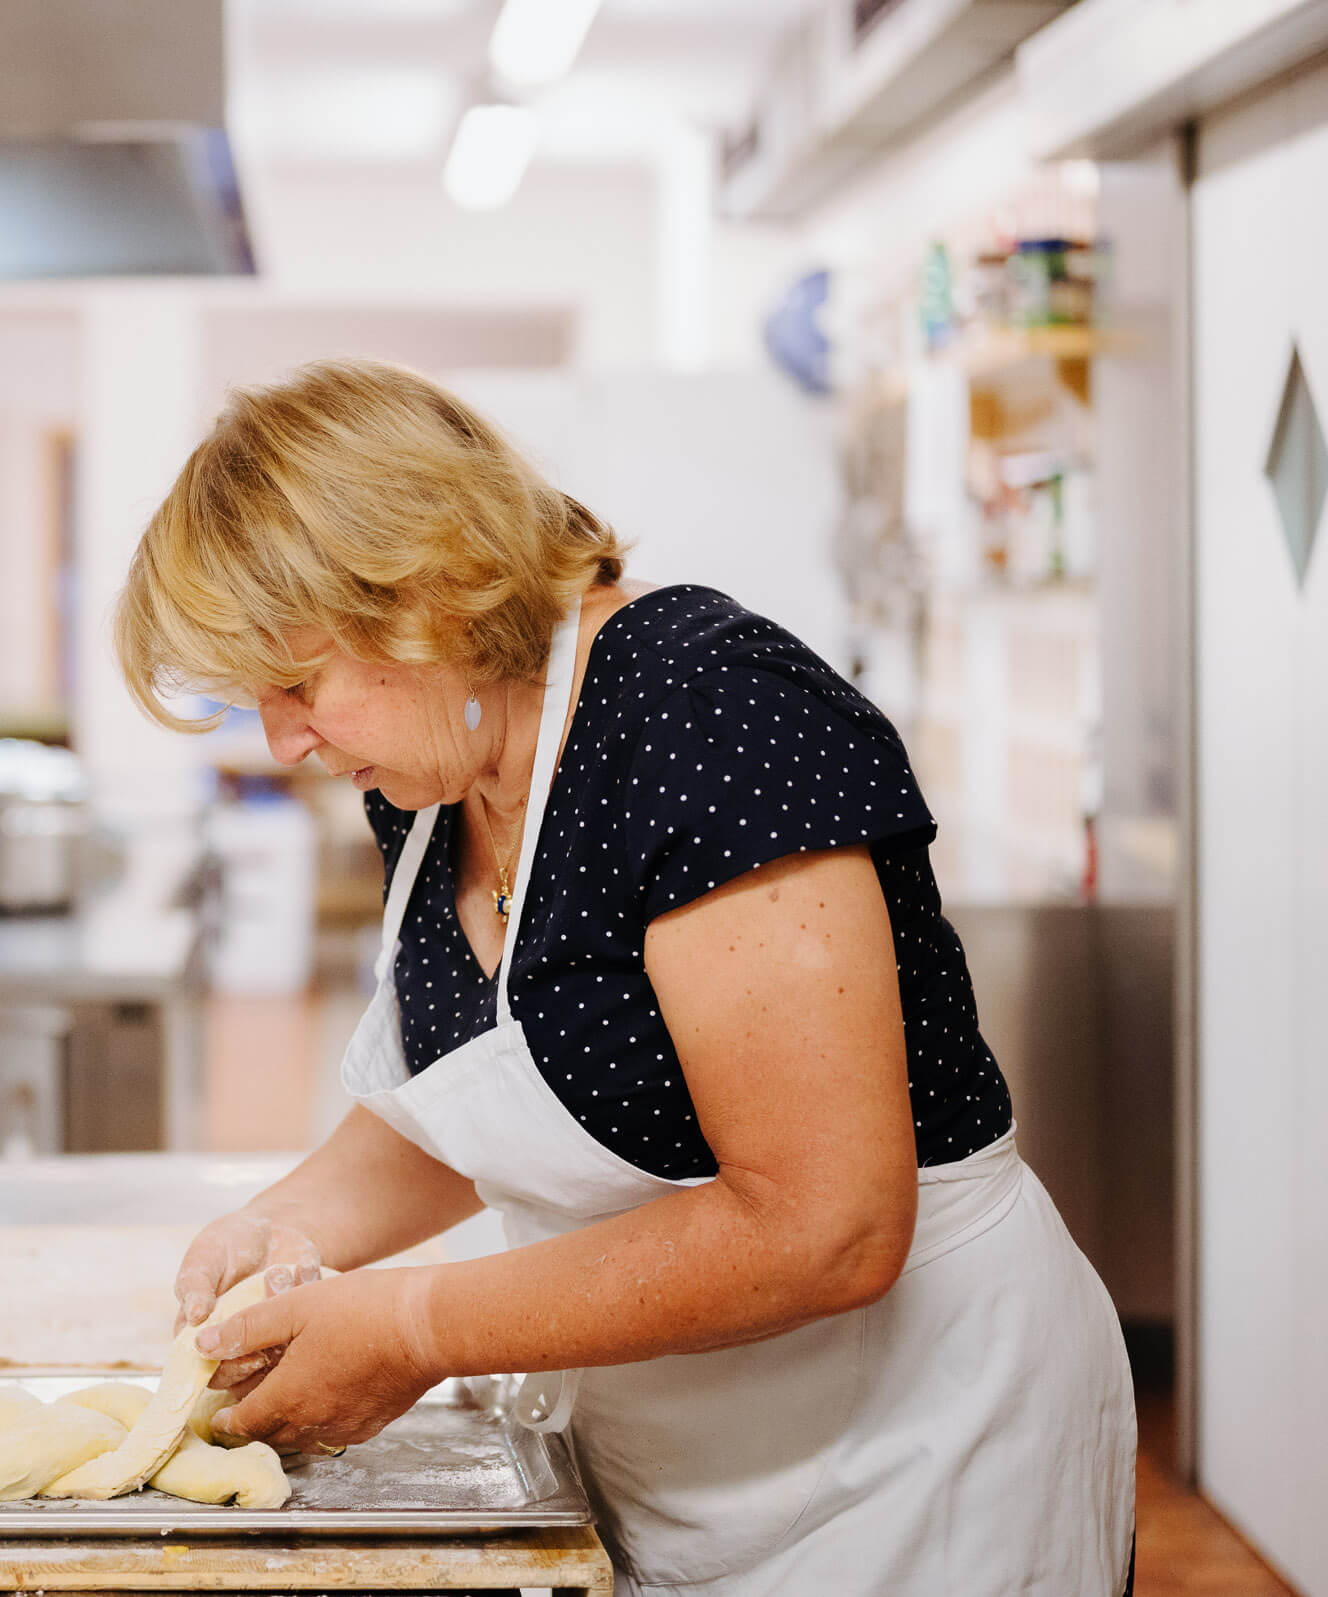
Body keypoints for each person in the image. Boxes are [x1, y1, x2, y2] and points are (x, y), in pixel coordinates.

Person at [113, 359, 1135, 1594]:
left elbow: (825, 1226)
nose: (280, 742)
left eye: (297, 684)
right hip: (680, 1456)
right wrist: (280, 1224)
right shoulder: (435, 778)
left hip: (917, 1454)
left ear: (424, 595)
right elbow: (517, 1092)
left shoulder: (705, 716)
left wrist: (414, 1327)